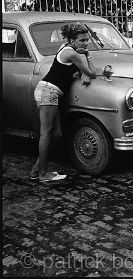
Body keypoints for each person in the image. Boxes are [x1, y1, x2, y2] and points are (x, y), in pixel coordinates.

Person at [31, 22, 97, 182]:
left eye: (87, 40)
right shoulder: (72, 53)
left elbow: (74, 72)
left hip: (50, 92)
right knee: (46, 133)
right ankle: (43, 174)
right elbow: (92, 73)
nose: (86, 43)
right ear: (73, 40)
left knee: (57, 134)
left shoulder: (66, 48)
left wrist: (81, 72)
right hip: (48, 91)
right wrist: (87, 56)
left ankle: (36, 170)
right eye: (82, 40)